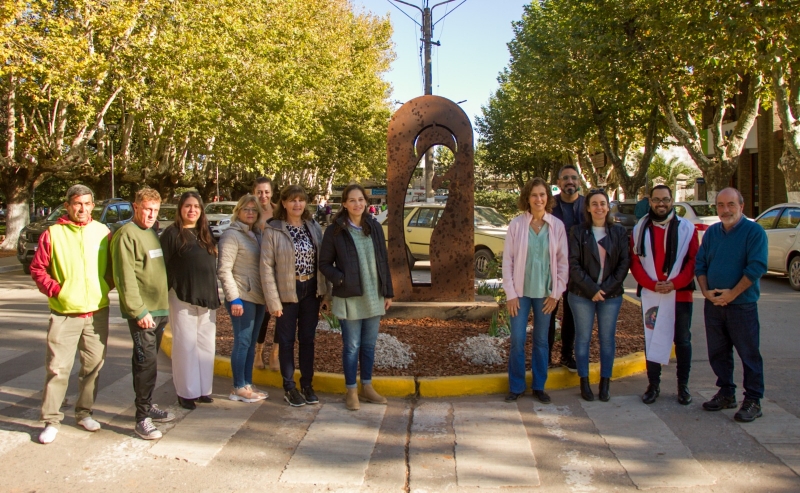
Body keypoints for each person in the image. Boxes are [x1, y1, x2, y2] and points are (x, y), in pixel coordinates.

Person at [30, 185, 113, 444]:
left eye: (88, 204)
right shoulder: (52, 234)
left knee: (93, 367)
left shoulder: (103, 232)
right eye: (78, 203)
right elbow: (38, 269)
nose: (83, 209)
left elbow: (112, 267)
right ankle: (51, 420)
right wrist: (58, 291)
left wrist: (104, 286)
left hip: (96, 312)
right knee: (58, 368)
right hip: (64, 312)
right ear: (67, 205)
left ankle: (84, 412)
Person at [696, 187, 768, 423]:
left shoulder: (754, 232)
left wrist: (732, 295)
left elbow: (756, 268)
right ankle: (726, 392)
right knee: (718, 352)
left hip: (742, 306)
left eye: (731, 205)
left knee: (749, 354)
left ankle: (753, 400)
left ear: (741, 206)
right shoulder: (712, 233)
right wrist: (706, 292)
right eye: (720, 205)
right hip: (714, 305)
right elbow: (701, 264)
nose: (725, 210)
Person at [319, 184, 394, 411]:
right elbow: (324, 263)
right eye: (352, 200)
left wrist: (388, 291)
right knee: (351, 346)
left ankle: (367, 386)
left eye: (360, 199)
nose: (357, 204)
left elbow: (383, 260)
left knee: (369, 346)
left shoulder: (374, 226)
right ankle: (351, 389)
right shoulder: (335, 231)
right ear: (344, 204)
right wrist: (340, 279)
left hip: (374, 295)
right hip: (349, 296)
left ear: (366, 202)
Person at [111, 188, 176, 440]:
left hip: (159, 309)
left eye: (155, 210)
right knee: (144, 363)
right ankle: (142, 418)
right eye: (147, 209)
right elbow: (125, 278)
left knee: (150, 362)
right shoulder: (126, 234)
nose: (151, 214)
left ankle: (148, 405)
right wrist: (139, 311)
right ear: (135, 207)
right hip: (144, 312)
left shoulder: (150, 232)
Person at [630, 185, 699, 406]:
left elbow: (693, 261)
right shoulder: (640, 229)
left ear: (672, 201)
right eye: (657, 200)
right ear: (650, 201)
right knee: (651, 340)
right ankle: (653, 385)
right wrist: (651, 284)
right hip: (652, 294)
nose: (662, 204)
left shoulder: (687, 229)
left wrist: (674, 284)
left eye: (666, 200)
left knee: (683, 341)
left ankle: (683, 386)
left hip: (679, 294)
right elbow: (635, 262)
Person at [502, 177, 569, 403]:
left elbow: (562, 263)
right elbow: (508, 262)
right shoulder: (517, 225)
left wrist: (556, 294)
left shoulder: (556, 226)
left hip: (545, 295)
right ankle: (517, 386)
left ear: (547, 198)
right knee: (518, 339)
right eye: (534, 195)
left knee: (541, 341)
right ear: (527, 199)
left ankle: (539, 385)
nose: (538, 199)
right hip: (520, 294)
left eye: (542, 194)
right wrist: (510, 294)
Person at [261, 184, 327, 407]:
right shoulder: (274, 230)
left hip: (310, 291)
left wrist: (324, 292)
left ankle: (307, 384)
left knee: (307, 340)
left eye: (300, 200)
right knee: (286, 341)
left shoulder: (313, 227)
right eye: (292, 200)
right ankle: (289, 387)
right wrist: (273, 301)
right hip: (286, 293)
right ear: (284, 203)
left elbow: (322, 261)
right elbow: (266, 267)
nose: (297, 204)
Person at [568, 189, 631, 402]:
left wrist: (606, 288)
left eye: (603, 203)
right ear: (588, 207)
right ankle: (584, 382)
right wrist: (591, 289)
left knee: (607, 339)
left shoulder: (619, 232)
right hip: (581, 295)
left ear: (608, 206)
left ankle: (605, 382)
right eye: (594, 203)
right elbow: (573, 264)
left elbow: (624, 264)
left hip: (610, 296)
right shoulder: (577, 232)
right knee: (583, 338)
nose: (599, 207)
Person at [160, 192, 221, 410]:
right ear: (180, 209)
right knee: (185, 345)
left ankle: (203, 389)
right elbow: (163, 267)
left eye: (196, 206)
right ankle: (186, 392)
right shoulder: (171, 234)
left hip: (206, 297)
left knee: (205, 344)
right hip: (182, 296)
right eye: (188, 206)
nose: (192, 210)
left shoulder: (205, 232)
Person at [218, 195, 268, 403]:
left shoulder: (256, 234)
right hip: (241, 297)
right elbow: (224, 270)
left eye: (254, 210)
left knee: (250, 343)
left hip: (258, 297)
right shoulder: (232, 235)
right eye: (246, 209)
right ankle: (238, 386)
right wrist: (234, 298)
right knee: (243, 341)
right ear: (238, 211)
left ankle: (247, 383)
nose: (250, 213)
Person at [549, 165, 585, 372]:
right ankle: (545, 356)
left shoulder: (586, 205)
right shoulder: (551, 205)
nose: (570, 181)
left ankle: (566, 355)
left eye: (573, 178)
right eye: (565, 178)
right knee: (548, 313)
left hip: (577, 271)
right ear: (559, 183)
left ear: (579, 181)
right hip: (552, 269)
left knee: (571, 314)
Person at [252, 177, 278, 371]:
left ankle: (274, 355)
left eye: (266, 192)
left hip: (279, 270)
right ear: (254, 192)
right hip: (256, 270)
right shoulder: (249, 212)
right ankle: (258, 353)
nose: (263, 196)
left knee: (281, 315)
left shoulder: (279, 212)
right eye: (259, 192)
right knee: (263, 316)